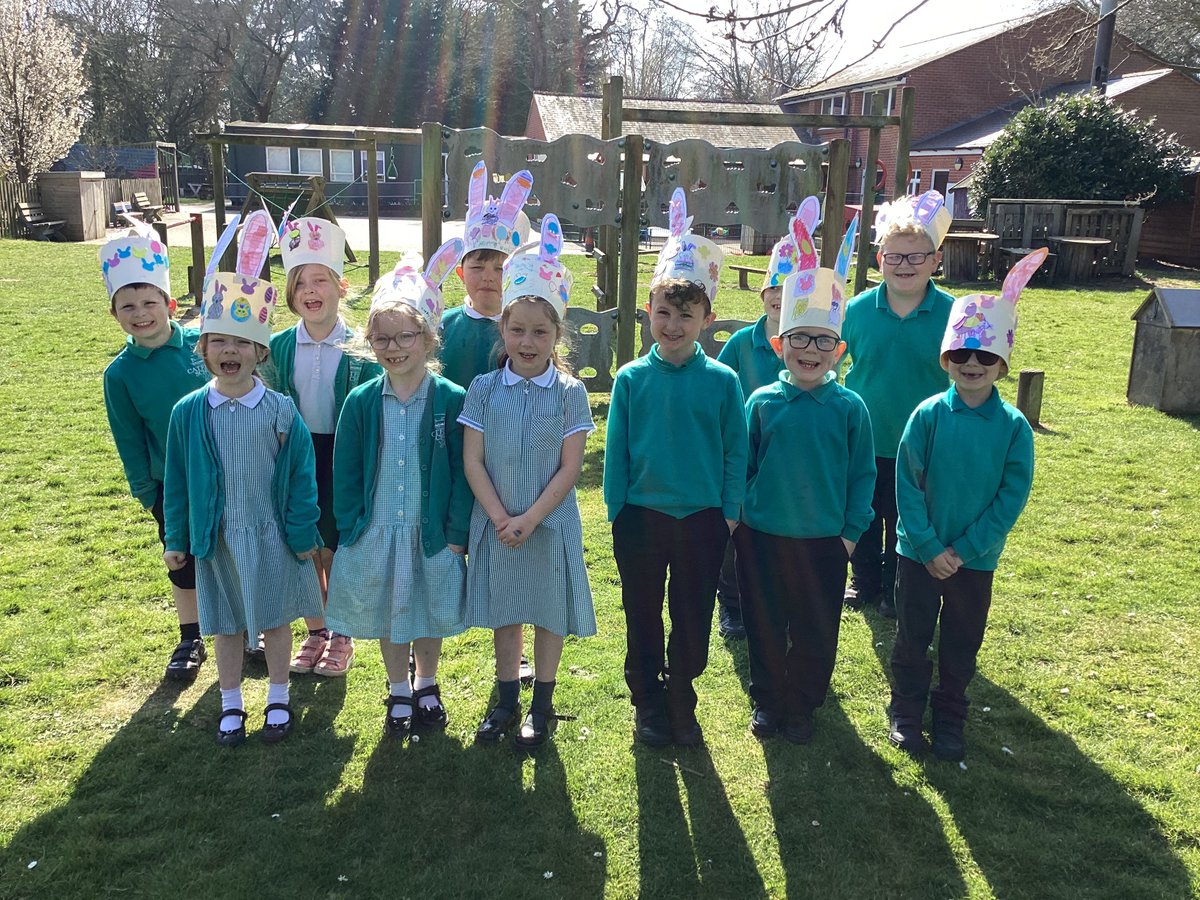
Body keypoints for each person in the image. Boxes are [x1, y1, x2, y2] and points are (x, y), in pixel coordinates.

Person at [162, 213, 323, 746]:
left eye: (241, 341)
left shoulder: (279, 411)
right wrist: (178, 540)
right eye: (218, 341)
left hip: (271, 536)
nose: (229, 352)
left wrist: (302, 535)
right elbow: (179, 481)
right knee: (228, 622)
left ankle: (278, 695)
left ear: (260, 351)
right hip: (219, 539)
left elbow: (302, 476)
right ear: (202, 349)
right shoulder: (189, 412)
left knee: (275, 619)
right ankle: (231, 701)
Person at [888, 249, 1044, 761]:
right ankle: (906, 712)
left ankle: (950, 713)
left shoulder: (1013, 428)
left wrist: (966, 547)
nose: (972, 364)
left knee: (960, 643)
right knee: (912, 638)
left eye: (984, 355)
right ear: (946, 359)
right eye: (961, 354)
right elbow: (907, 483)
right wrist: (929, 546)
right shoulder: (927, 415)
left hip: (974, 561)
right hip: (918, 555)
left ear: (1001, 363)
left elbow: (1010, 497)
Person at [605, 188, 747, 748]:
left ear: (706, 318)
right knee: (642, 614)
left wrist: (729, 512)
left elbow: (736, 449)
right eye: (663, 312)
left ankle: (682, 696)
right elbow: (617, 450)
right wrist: (618, 509)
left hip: (703, 520)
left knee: (692, 616)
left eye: (685, 315)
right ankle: (647, 702)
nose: (672, 324)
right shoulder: (632, 380)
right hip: (640, 517)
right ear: (649, 311)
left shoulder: (723, 382)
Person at [736, 214, 876, 744]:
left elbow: (862, 473)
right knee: (766, 625)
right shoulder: (762, 403)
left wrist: (849, 531)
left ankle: (803, 705)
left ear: (838, 349)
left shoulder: (849, 409)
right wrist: (744, 517)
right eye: (800, 339)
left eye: (823, 342)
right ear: (780, 345)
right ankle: (769, 701)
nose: (811, 351)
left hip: (824, 540)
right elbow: (744, 464)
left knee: (817, 630)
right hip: (764, 536)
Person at [323, 241, 472, 740]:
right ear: (369, 342)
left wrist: (456, 533)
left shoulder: (451, 400)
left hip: (429, 533)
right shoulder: (362, 401)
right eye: (382, 339)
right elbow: (345, 469)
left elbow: (464, 470)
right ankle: (398, 687)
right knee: (390, 609)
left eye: (405, 336)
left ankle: (426, 681)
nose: (394, 347)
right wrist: (350, 526)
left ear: (428, 339)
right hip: (378, 529)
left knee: (427, 607)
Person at [460, 214, 596, 751]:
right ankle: (506, 699)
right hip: (498, 520)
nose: (528, 340)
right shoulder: (484, 389)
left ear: (557, 335)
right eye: (517, 329)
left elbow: (570, 467)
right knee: (507, 611)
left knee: (546, 608)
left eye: (541, 332)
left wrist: (531, 519)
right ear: (503, 331)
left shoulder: (569, 394)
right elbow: (474, 461)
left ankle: (542, 702)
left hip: (548, 522)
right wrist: (500, 518)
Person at [259, 216, 380, 678]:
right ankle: (316, 629)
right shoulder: (278, 347)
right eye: (300, 283)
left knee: (337, 544)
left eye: (320, 280)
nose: (311, 290)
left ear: (341, 286)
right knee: (305, 543)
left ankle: (341, 631)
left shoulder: (360, 348)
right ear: (290, 295)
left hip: (342, 455)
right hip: (296, 454)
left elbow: (368, 409)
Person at [101, 229, 210, 681]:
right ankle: (190, 635)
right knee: (182, 560)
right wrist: (148, 493)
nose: (140, 314)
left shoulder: (202, 343)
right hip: (173, 484)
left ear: (169, 304)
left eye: (149, 303)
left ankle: (245, 629)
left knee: (232, 549)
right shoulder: (120, 374)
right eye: (128, 306)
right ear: (115, 315)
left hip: (230, 469)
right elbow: (129, 439)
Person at [840, 191, 955, 617]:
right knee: (865, 514)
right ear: (878, 259)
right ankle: (865, 581)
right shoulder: (855, 310)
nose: (904, 265)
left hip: (925, 442)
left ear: (935, 260)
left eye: (916, 257)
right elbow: (831, 360)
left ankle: (896, 586)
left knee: (909, 516)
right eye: (895, 257)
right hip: (866, 436)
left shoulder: (952, 313)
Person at [714, 196, 820, 640]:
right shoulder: (741, 342)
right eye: (773, 293)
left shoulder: (814, 344)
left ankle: (776, 600)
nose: (780, 300)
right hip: (743, 456)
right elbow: (720, 387)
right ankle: (732, 604)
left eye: (790, 293)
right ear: (763, 297)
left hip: (789, 457)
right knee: (734, 534)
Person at [439, 162, 533, 390]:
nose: (488, 277)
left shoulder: (526, 329)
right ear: (461, 273)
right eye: (477, 267)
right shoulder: (443, 326)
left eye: (500, 269)